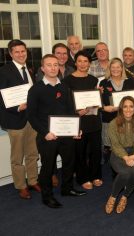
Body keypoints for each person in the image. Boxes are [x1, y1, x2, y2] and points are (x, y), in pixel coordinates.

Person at [27, 54, 86, 208]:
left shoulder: (64, 87)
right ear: (42, 68)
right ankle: (47, 196)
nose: (53, 68)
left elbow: (71, 110)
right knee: (48, 167)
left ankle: (67, 189)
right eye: (49, 65)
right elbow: (31, 116)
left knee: (69, 162)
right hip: (47, 136)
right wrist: (45, 132)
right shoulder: (35, 89)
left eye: (55, 65)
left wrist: (76, 129)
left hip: (66, 134)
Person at [0, 39, 40, 199]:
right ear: (10, 54)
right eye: (17, 52)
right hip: (14, 119)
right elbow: (1, 98)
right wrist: (17, 107)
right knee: (17, 157)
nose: (21, 54)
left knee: (32, 152)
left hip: (31, 118)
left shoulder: (29, 70)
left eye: (23, 51)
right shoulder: (4, 71)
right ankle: (21, 186)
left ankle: (32, 180)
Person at [63, 50, 102, 190]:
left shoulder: (94, 80)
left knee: (96, 150)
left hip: (93, 119)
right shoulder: (67, 81)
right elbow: (66, 103)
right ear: (75, 62)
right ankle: (83, 178)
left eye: (85, 61)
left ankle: (95, 175)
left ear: (89, 64)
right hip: (78, 121)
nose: (83, 64)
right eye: (80, 61)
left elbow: (96, 100)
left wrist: (99, 96)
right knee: (80, 151)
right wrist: (77, 112)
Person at [105, 96, 134, 214]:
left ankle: (125, 197)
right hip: (118, 154)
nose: (128, 109)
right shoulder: (113, 123)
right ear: (121, 108)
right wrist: (126, 158)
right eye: (125, 106)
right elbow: (115, 145)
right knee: (125, 173)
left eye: (131, 106)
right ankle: (113, 196)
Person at [99, 58, 134, 164]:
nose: (115, 69)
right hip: (109, 119)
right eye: (113, 67)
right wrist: (104, 108)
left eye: (118, 67)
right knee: (111, 147)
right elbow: (98, 103)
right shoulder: (103, 83)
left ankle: (128, 167)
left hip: (128, 120)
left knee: (127, 145)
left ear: (122, 68)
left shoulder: (130, 81)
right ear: (109, 68)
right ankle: (113, 171)